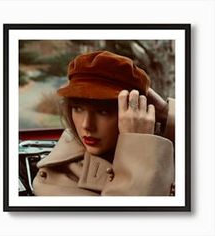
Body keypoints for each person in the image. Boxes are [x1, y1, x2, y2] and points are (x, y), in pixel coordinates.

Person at [32, 50, 175, 196]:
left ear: (135, 111)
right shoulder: (56, 179)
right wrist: (138, 147)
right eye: (78, 108)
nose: (86, 125)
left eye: (103, 111)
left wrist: (165, 113)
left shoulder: (163, 145)